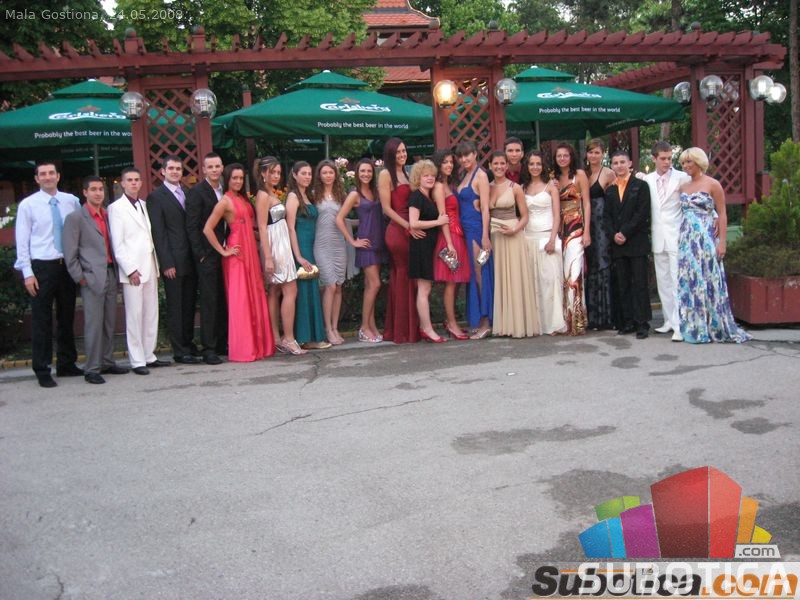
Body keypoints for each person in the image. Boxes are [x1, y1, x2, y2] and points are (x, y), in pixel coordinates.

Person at [14, 160, 82, 387]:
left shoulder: (71, 201)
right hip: (42, 267)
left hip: (66, 266)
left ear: (58, 176)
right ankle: (42, 368)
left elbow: (79, 232)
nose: (47, 177)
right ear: (36, 179)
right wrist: (27, 273)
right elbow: (22, 241)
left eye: (51, 173)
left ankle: (66, 364)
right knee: (42, 319)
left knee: (67, 316)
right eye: (42, 174)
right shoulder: (28, 205)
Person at [676, 148, 751, 344]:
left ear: (699, 162)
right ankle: (695, 326)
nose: (685, 166)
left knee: (708, 279)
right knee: (691, 281)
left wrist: (722, 242)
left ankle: (714, 325)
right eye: (683, 163)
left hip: (706, 238)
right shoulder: (683, 187)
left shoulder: (713, 184)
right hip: (687, 239)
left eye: (689, 162)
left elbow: (722, 213)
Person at [203, 164, 275, 361]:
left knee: (254, 295)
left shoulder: (242, 198)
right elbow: (207, 228)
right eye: (234, 178)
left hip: (250, 250)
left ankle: (258, 346)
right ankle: (244, 348)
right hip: (237, 255)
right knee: (241, 301)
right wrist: (223, 251)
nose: (238, 181)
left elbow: (251, 227)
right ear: (227, 179)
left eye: (241, 178)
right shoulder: (224, 201)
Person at [62, 176, 128, 384]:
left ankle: (107, 361)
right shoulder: (75, 218)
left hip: (110, 273)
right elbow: (70, 253)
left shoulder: (107, 215)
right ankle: (92, 368)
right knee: (93, 325)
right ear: (85, 192)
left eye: (100, 189)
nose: (98, 193)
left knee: (109, 322)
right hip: (91, 277)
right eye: (93, 189)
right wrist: (81, 278)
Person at [108, 167, 168, 375]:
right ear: (122, 183)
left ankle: (149, 355)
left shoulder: (143, 205)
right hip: (133, 269)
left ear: (141, 183)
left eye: (136, 180)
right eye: (130, 180)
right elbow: (118, 244)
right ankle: (137, 360)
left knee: (151, 313)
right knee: (134, 315)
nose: (134, 183)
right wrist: (130, 269)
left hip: (150, 265)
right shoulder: (116, 208)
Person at [147, 155, 200, 364]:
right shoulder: (156, 197)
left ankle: (188, 343)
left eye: (178, 168)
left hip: (190, 259)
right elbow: (158, 233)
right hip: (173, 262)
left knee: (189, 305)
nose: (175, 172)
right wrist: (167, 263)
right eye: (171, 168)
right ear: (163, 171)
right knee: (176, 307)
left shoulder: (186, 192)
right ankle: (179, 350)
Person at [255, 157, 304, 355]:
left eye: (278, 172)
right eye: (272, 172)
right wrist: (268, 257)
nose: (276, 176)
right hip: (275, 245)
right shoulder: (262, 195)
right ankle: (288, 338)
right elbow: (261, 226)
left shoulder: (270, 193)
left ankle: (276, 337)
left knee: (275, 291)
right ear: (263, 173)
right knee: (290, 289)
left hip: (281, 243)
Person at [488, 151, 540, 338]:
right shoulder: (486, 187)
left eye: (502, 163)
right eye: (496, 164)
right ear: (490, 166)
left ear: (507, 165)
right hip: (495, 237)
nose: (499, 167)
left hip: (513, 235)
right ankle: (503, 325)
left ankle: (518, 325)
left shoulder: (515, 187)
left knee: (515, 278)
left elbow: (525, 216)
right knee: (500, 278)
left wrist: (514, 229)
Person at [335, 158, 386, 343]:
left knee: (370, 286)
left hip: (379, 241)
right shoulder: (354, 194)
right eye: (362, 171)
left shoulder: (376, 191)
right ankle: (364, 328)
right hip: (366, 243)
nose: (366, 174)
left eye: (369, 171)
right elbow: (339, 218)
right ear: (357, 173)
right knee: (375, 284)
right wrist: (352, 241)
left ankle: (372, 326)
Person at [644, 141, 690, 342]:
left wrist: (714, 216)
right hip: (658, 237)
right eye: (663, 158)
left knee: (676, 281)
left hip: (676, 235)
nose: (667, 162)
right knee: (663, 282)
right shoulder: (647, 179)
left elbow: (695, 199)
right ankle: (668, 320)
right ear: (654, 158)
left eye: (669, 158)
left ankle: (680, 325)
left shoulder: (682, 177)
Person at [604, 150, 652, 339]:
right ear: (612, 166)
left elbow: (642, 213)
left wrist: (625, 232)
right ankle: (628, 321)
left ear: (630, 163)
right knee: (623, 284)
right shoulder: (610, 190)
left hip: (636, 241)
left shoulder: (641, 186)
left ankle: (642, 323)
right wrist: (613, 234)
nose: (619, 166)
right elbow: (606, 216)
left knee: (639, 283)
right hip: (618, 243)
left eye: (622, 162)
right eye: (615, 163)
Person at [185, 152, 227, 364]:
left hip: (224, 253)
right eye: (210, 167)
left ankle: (221, 343)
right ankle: (208, 348)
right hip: (207, 255)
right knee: (209, 302)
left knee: (222, 299)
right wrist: (200, 254)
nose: (214, 170)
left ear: (222, 167)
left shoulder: (224, 190)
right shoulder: (196, 192)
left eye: (217, 166)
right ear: (204, 170)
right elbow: (192, 226)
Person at [379, 137, 420, 343]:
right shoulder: (385, 174)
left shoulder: (406, 173)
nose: (402, 155)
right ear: (390, 154)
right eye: (398, 152)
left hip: (411, 228)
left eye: (404, 151)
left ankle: (409, 328)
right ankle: (403, 331)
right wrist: (407, 226)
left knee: (409, 276)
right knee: (403, 275)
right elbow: (386, 209)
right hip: (398, 230)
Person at [285, 161, 329, 350]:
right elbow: (290, 228)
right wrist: (298, 256)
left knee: (311, 289)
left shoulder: (308, 195)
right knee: (303, 291)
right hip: (301, 247)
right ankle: (304, 337)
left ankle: (313, 337)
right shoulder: (293, 196)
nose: (307, 177)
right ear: (295, 175)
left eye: (309, 174)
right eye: (303, 173)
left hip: (311, 247)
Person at [522, 150, 567, 335]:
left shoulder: (551, 187)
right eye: (531, 164)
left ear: (543, 166)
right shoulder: (522, 188)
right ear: (527, 166)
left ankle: (553, 323)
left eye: (538, 164)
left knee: (550, 281)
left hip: (547, 237)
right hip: (528, 238)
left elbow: (557, 216)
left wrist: (552, 239)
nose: (535, 167)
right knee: (533, 283)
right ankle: (537, 324)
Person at [454, 140, 493, 339]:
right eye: (460, 156)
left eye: (467, 155)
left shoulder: (481, 176)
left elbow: (485, 208)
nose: (464, 159)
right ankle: (479, 320)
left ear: (475, 154)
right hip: (465, 231)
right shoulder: (465, 175)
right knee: (473, 274)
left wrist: (485, 235)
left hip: (477, 231)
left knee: (480, 273)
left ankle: (486, 322)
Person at [407, 159, 450, 342]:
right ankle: (427, 329)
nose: (430, 178)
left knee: (426, 288)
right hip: (421, 246)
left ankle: (426, 327)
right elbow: (413, 223)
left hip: (427, 246)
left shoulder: (426, 196)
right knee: (424, 289)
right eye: (426, 176)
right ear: (418, 178)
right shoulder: (417, 196)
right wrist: (438, 222)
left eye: (432, 175)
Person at [431, 149, 470, 340]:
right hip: (449, 237)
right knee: (451, 282)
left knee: (456, 282)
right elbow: (442, 217)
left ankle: (450, 321)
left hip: (457, 235)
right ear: (438, 165)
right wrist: (449, 244)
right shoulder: (439, 186)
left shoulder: (449, 184)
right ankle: (452, 324)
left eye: (451, 162)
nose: (449, 165)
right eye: (444, 162)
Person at [554, 142, 591, 336]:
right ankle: (564, 319)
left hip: (576, 229)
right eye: (559, 156)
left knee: (574, 274)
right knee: (562, 275)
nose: (562, 159)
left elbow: (587, 203)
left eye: (565, 155)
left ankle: (577, 320)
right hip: (559, 230)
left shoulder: (580, 175)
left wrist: (587, 231)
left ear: (571, 157)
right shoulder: (553, 178)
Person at [313, 160, 348, 346]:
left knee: (339, 286)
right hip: (321, 244)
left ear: (335, 174)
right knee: (330, 285)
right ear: (319, 175)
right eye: (324, 172)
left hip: (339, 244)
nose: (328, 175)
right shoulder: (313, 195)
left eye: (331, 172)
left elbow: (345, 219)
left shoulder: (341, 195)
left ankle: (335, 327)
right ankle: (327, 328)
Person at [584, 138, 616, 330]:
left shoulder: (609, 173)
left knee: (603, 265)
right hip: (586, 225)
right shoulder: (583, 173)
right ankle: (592, 316)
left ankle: (606, 316)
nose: (594, 155)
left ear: (603, 154)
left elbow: (615, 201)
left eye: (597, 152)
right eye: (591, 152)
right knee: (590, 267)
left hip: (602, 225)